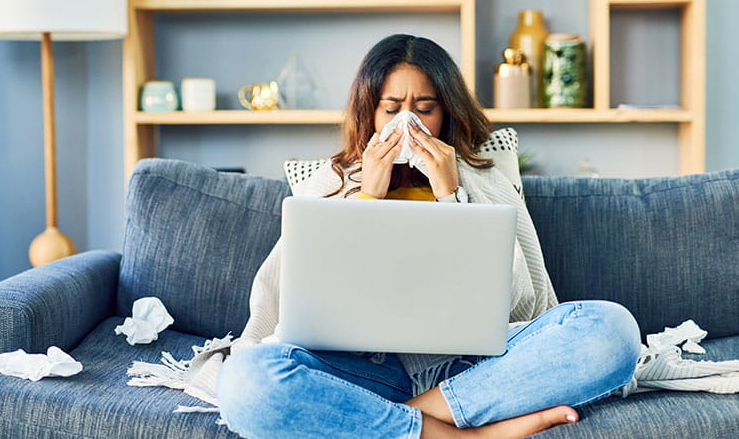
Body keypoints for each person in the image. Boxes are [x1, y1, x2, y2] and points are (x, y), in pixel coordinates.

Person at [216, 34, 641, 439]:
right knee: (244, 381)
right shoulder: (329, 183)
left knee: (613, 330)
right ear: (370, 113)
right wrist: (368, 195)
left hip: (477, 370)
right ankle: (464, 432)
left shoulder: (484, 179)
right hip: (363, 372)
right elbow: (290, 310)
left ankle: (409, 417)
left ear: (446, 113)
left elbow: (520, 306)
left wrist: (450, 194)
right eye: (392, 107)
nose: (407, 122)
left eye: (424, 107)